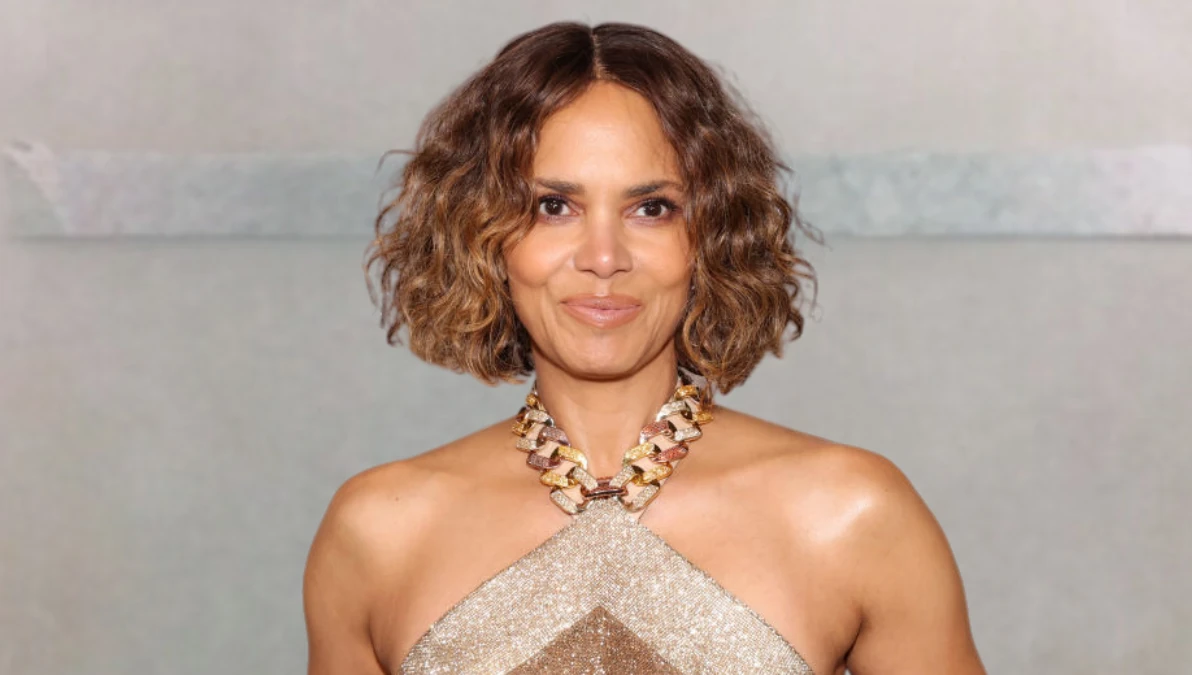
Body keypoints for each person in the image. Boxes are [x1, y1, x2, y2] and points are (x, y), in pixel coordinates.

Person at [304, 20, 987, 675]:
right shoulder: (379, 533)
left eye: (651, 208)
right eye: (553, 206)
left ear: (712, 236)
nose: (604, 257)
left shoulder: (852, 514)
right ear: (481, 235)